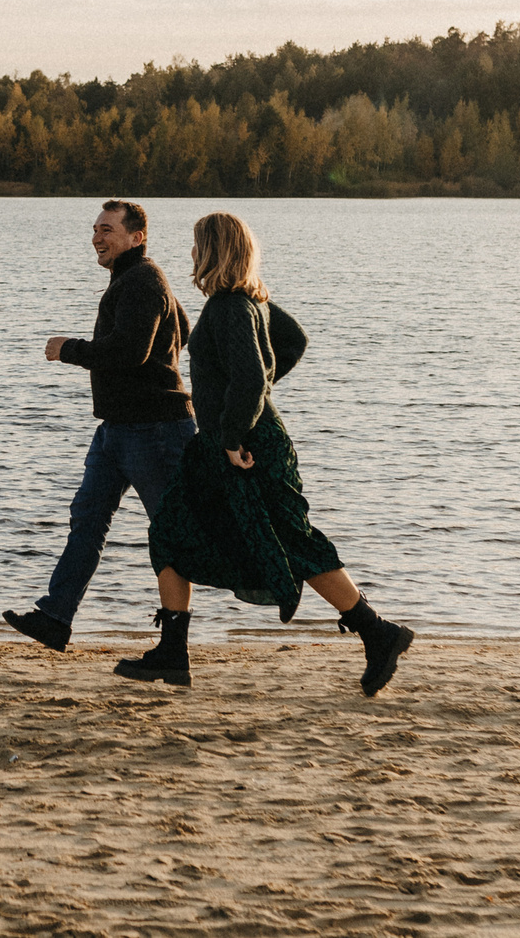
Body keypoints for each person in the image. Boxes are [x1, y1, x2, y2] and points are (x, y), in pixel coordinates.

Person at [117, 211, 416, 695]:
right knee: (174, 530)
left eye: (197, 246)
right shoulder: (250, 303)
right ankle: (173, 651)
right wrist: (243, 402)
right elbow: (292, 343)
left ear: (212, 251)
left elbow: (254, 376)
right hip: (231, 442)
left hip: (245, 446)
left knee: (287, 541)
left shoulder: (229, 308)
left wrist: (236, 432)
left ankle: (378, 632)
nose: (191, 255)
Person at [2, 200, 195, 652]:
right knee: (87, 519)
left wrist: (71, 348)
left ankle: (174, 648)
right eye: (94, 229)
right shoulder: (135, 280)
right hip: (116, 430)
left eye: (107, 229)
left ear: (136, 237)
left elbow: (131, 352)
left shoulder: (144, 279)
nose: (97, 237)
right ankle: (55, 618)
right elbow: (181, 327)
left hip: (156, 432)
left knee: (170, 535)